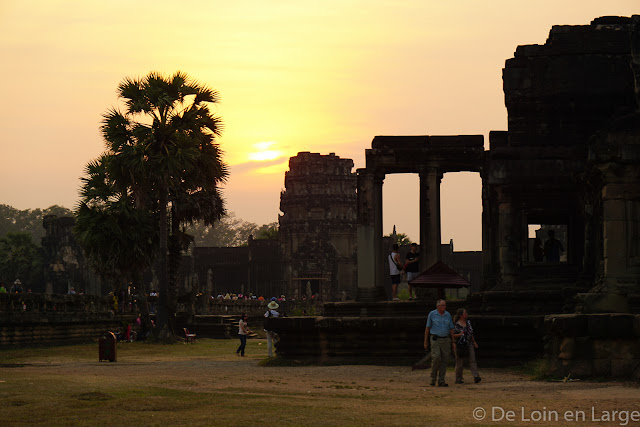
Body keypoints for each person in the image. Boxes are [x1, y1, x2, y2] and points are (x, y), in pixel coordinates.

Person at [424, 299, 455, 387]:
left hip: (446, 339)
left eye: (445, 305)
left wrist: (453, 341)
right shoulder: (432, 314)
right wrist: (425, 341)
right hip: (435, 339)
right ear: (438, 306)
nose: (444, 307)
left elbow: (451, 328)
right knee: (436, 357)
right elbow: (427, 328)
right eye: (443, 305)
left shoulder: (448, 315)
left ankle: (441, 380)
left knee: (445, 360)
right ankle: (433, 377)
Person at [453, 308, 481, 384]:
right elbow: (453, 335)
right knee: (460, 362)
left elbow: (470, 333)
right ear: (461, 315)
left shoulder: (468, 322)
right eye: (465, 313)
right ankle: (458, 378)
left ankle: (476, 376)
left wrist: (474, 341)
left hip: (469, 343)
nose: (466, 314)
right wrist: (459, 335)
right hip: (460, 344)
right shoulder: (456, 325)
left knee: (472, 359)